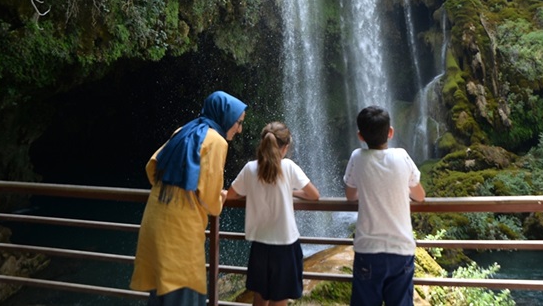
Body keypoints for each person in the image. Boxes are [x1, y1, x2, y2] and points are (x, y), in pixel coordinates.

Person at [130, 90, 248, 306]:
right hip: (180, 232)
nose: (239, 129)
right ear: (227, 117)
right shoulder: (217, 142)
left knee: (161, 294)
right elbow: (211, 202)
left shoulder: (184, 130)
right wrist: (221, 198)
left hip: (154, 222)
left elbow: (152, 168)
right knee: (183, 295)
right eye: (238, 122)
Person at [225, 121, 320, 306]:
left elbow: (231, 195)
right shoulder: (289, 167)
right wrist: (290, 191)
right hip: (285, 245)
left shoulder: (250, 168)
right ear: (285, 147)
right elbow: (314, 195)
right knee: (280, 299)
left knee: (260, 298)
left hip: (260, 244)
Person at [343, 106, 426, 306]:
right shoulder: (402, 156)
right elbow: (420, 196)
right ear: (390, 132)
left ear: (360, 136)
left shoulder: (357, 157)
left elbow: (350, 195)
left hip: (368, 250)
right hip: (401, 250)